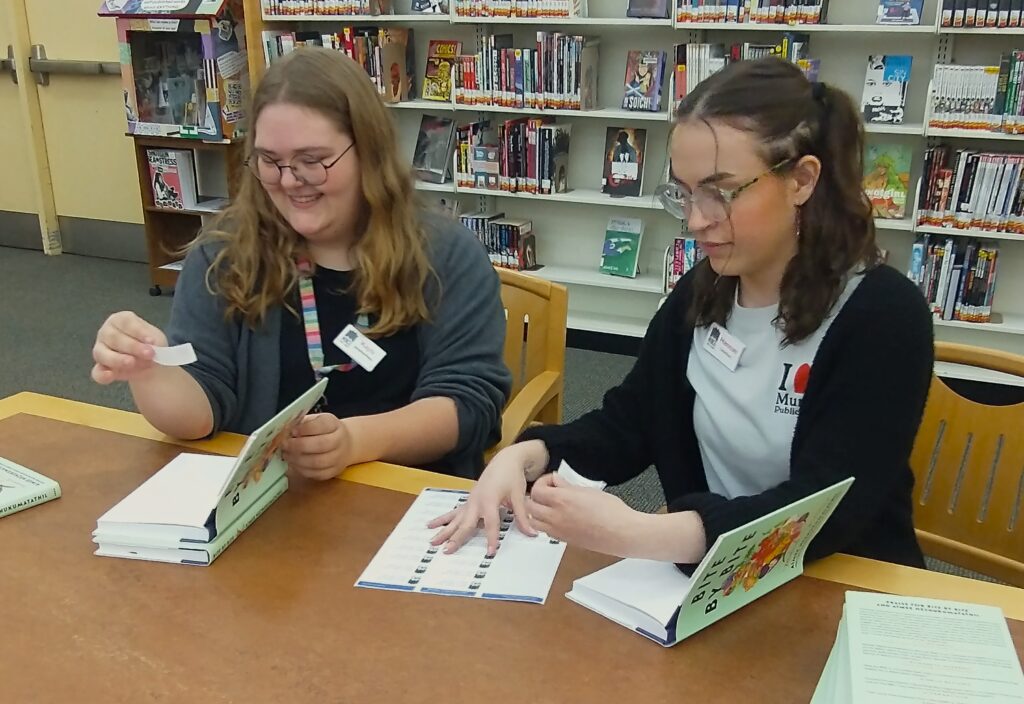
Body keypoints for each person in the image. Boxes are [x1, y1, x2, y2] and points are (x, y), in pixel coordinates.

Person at [431, 58, 933, 568]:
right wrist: (527, 455)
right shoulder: (705, 290)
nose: (696, 220)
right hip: (711, 584)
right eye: (685, 194)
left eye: (720, 192)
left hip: (841, 582)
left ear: (801, 180)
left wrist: (646, 533)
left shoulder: (883, 315)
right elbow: (632, 421)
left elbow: (829, 506)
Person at [92, 48, 511, 480]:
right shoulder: (225, 255)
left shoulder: (445, 254)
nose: (290, 180)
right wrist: (147, 369)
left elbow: (469, 403)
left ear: (368, 151)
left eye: (312, 160)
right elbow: (201, 412)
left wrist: (354, 442)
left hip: (409, 499)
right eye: (270, 161)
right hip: (271, 499)